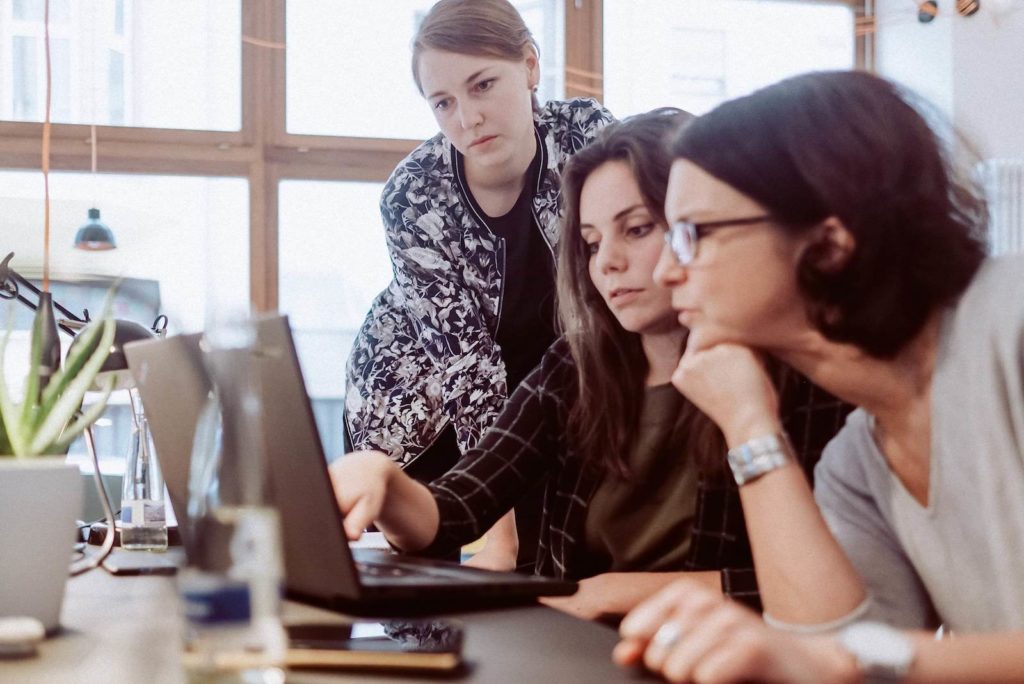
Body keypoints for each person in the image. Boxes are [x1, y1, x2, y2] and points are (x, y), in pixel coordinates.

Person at [331, 109, 850, 622]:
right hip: (578, 653)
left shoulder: (798, 377)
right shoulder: (575, 369)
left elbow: (830, 584)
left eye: (639, 229)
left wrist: (616, 593)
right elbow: (458, 510)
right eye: (592, 242)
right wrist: (385, 483)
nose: (607, 263)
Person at [614, 70, 1024, 682]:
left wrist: (848, 661)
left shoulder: (1011, 321)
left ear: (830, 243)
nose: (668, 272)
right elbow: (827, 661)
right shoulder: (856, 463)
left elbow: (846, 661)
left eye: (692, 234)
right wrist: (749, 426)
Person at [344, 0, 614, 571]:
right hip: (424, 404)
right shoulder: (413, 195)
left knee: (558, 566)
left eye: (483, 84)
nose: (467, 117)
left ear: (531, 67)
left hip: (542, 394)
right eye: (443, 102)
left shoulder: (587, 140)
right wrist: (499, 539)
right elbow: (467, 366)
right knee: (441, 598)